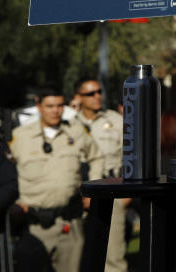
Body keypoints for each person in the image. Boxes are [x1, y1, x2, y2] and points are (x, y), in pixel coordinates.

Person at [9, 87, 103, 272]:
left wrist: (93, 190)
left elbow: (97, 156)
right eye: (49, 106)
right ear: (38, 106)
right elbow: (6, 172)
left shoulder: (76, 131)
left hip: (69, 223)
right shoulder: (20, 136)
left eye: (60, 105)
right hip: (34, 226)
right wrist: (14, 203)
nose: (55, 111)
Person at [73, 79, 127, 272]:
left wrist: (127, 192)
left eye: (99, 92)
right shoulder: (69, 121)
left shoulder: (115, 121)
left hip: (110, 189)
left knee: (113, 256)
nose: (97, 96)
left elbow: (130, 156)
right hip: (75, 194)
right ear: (78, 97)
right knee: (76, 255)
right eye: (90, 93)